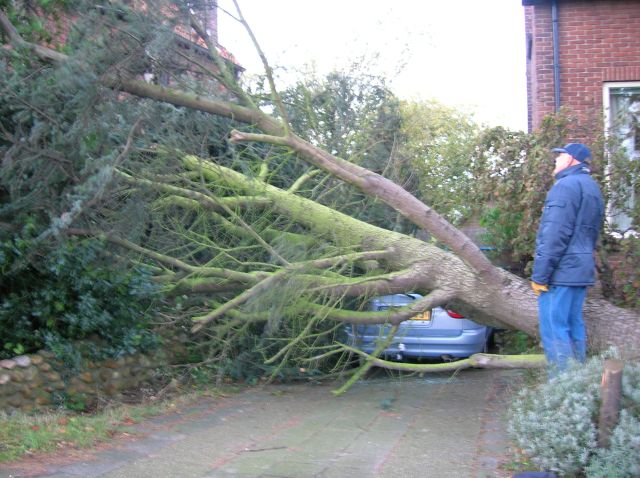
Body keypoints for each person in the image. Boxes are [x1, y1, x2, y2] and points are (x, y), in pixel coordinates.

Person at [530, 143, 604, 376]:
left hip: (560, 273)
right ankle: (577, 385)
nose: (556, 159)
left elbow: (554, 234)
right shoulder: (592, 187)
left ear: (572, 160)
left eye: (560, 156)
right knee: (574, 327)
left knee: (555, 331)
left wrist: (540, 275)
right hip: (580, 270)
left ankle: (561, 391)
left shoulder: (565, 187)